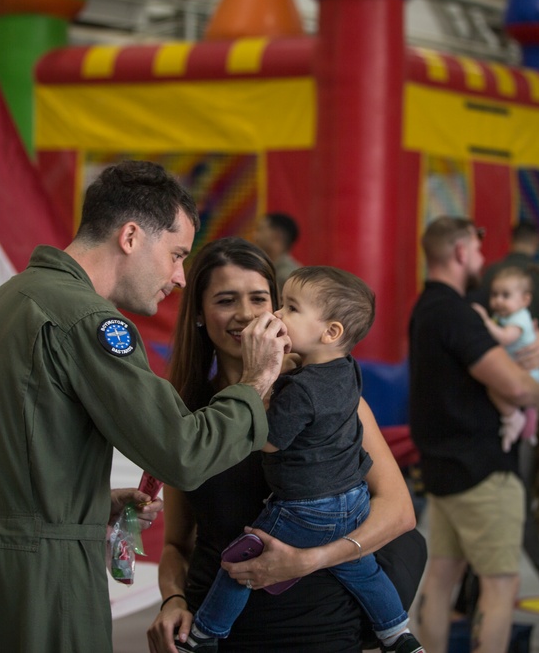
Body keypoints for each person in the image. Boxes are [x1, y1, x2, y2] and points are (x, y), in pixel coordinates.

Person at [0, 161, 290, 652]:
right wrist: (256, 381)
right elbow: (182, 453)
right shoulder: (89, 320)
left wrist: (89, 508)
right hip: (45, 584)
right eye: (176, 254)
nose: (179, 276)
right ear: (130, 236)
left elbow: (13, 462)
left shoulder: (3, 305)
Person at [148, 237, 423, 653]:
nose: (246, 314)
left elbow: (399, 513)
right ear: (201, 315)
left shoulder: (324, 394)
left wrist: (311, 559)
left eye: (260, 299)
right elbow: (176, 544)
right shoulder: (187, 412)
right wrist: (172, 599)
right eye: (225, 300)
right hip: (220, 631)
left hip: (320, 627)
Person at [408, 216, 539, 653]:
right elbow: (518, 387)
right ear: (462, 252)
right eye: (479, 251)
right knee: (501, 584)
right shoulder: (458, 313)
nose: (484, 261)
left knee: (442, 577)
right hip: (482, 469)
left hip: (443, 469)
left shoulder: (426, 309)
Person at [478, 220, 539, 387]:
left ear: (512, 240)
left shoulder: (492, 272)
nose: (499, 300)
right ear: (536, 242)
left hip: (495, 361)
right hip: (531, 358)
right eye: (497, 295)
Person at [473, 266, 539, 452]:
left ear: (525, 299)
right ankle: (529, 427)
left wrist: (485, 321)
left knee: (494, 388)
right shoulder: (504, 316)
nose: (498, 301)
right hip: (519, 370)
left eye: (505, 295)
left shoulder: (520, 318)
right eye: (494, 295)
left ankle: (512, 418)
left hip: (527, 373)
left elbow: (505, 338)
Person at [252, 212, 302, 291]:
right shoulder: (271, 270)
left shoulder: (287, 277)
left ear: (276, 236)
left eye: (260, 230)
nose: (255, 236)